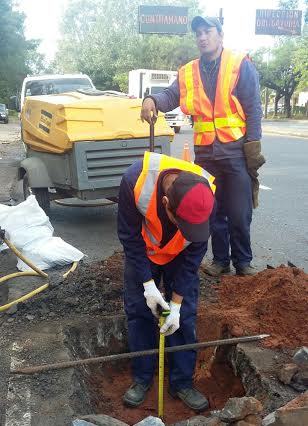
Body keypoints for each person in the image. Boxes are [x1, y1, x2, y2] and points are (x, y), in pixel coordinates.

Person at [141, 16, 266, 277]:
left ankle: (243, 261)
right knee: (212, 210)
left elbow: (253, 106)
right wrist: (153, 99)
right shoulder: (188, 71)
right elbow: (171, 96)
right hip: (206, 153)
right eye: (198, 33)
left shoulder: (238, 64)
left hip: (235, 149)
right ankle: (221, 261)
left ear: (220, 35)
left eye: (207, 31)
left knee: (239, 211)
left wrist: (253, 143)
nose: (202, 37)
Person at [117, 151, 216, 411]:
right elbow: (129, 238)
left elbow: (195, 255)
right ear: (165, 202)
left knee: (183, 317)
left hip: (180, 257)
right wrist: (148, 286)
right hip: (144, 253)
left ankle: (182, 382)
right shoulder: (134, 181)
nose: (186, 229)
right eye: (180, 222)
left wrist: (177, 305)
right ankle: (142, 377)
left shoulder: (207, 195)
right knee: (140, 312)